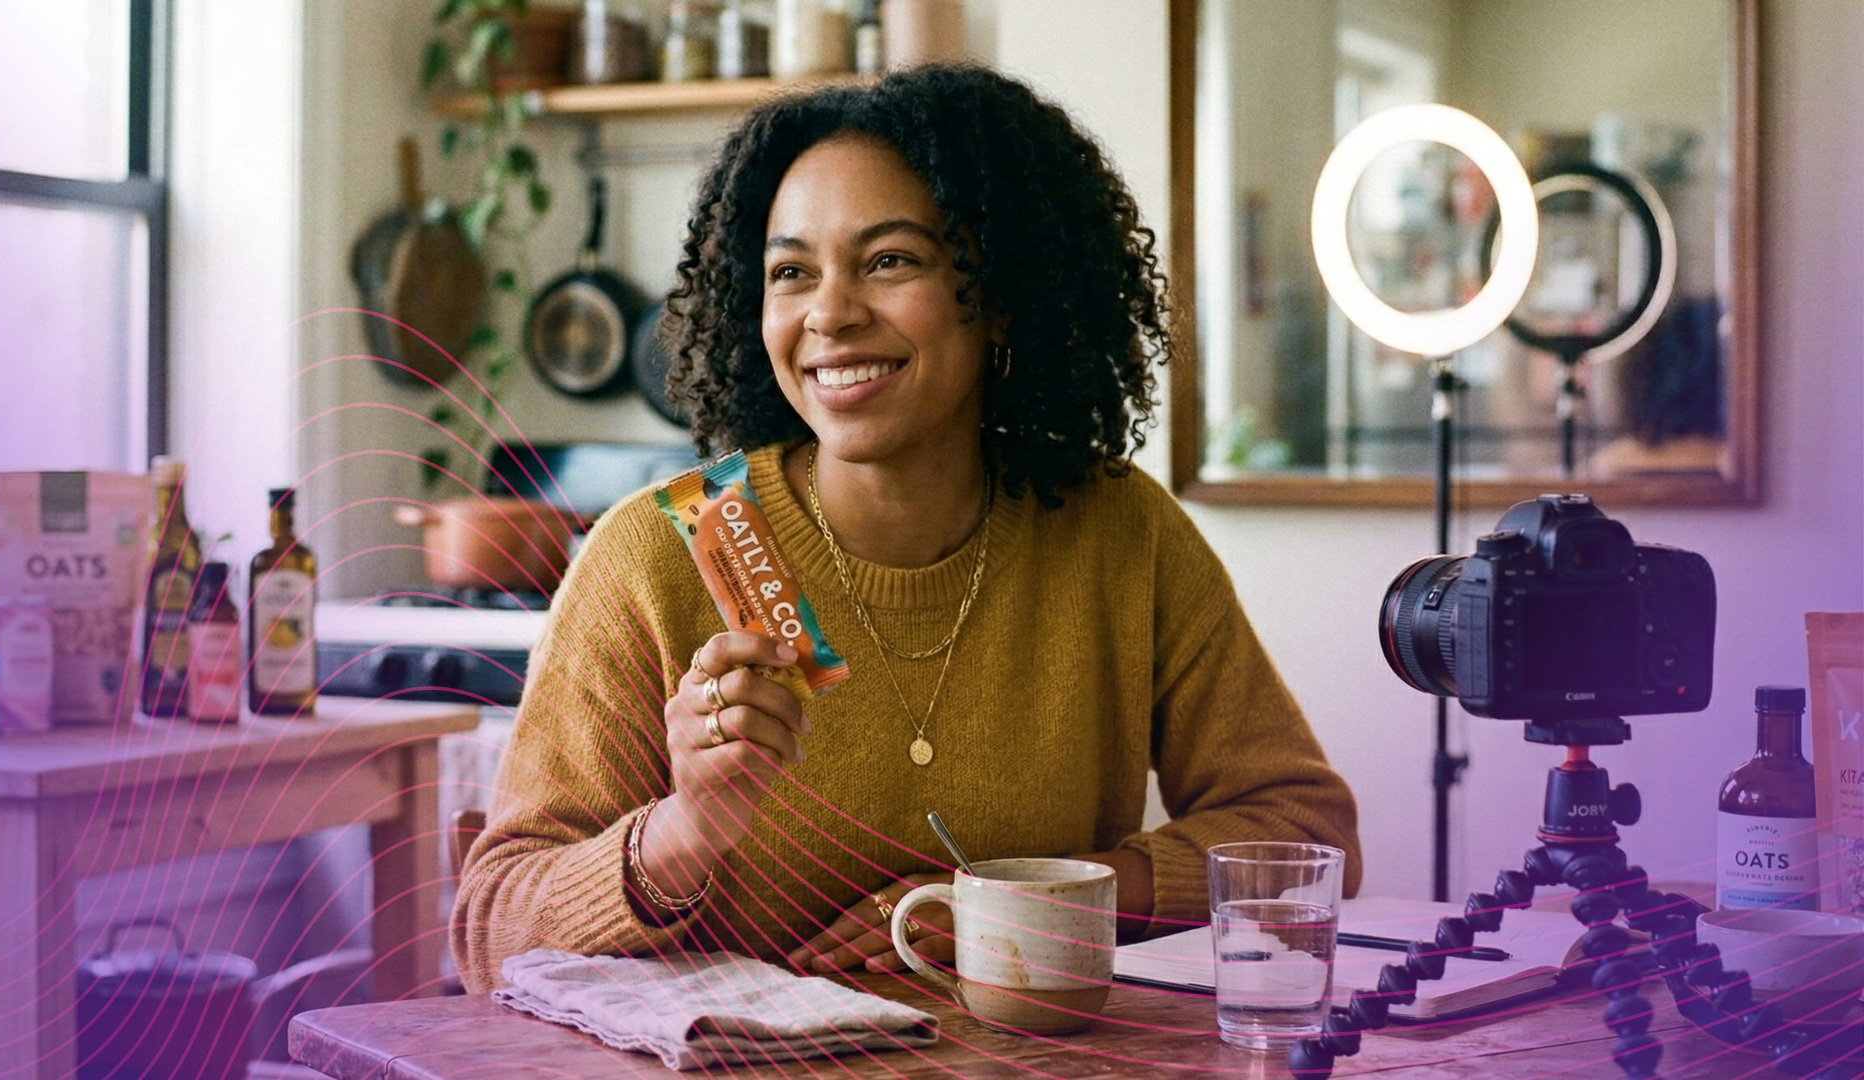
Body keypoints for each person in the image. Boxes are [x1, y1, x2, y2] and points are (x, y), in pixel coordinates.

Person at [453, 65, 1361, 994]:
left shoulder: (1120, 532)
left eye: (890, 261)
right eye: (791, 273)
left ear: (1002, 294)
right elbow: (489, 930)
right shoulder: (658, 553)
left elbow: (1306, 836)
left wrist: (1030, 905)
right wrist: (682, 833)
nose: (830, 314)